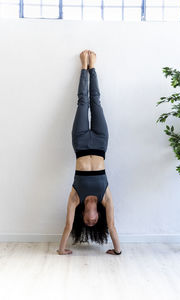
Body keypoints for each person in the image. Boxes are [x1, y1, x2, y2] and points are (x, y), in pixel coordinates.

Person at [57, 50, 122, 256]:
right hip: (101, 143)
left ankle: (84, 67)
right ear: (98, 217)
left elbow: (68, 226)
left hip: (81, 143)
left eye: (87, 222)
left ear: (83, 216)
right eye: (95, 222)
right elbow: (111, 227)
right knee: (96, 102)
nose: (91, 221)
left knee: (83, 102)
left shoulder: (75, 198)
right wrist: (117, 251)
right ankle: (93, 68)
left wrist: (61, 250)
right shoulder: (106, 199)